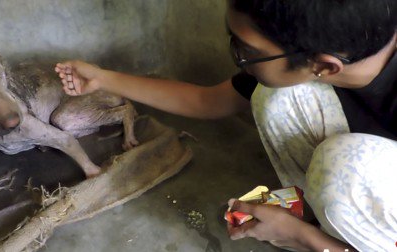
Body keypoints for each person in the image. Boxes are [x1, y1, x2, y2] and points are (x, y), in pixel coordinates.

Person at [55, 0, 397, 251]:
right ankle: (313, 210)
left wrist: (307, 241)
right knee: (274, 95)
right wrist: (104, 79)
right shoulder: (343, 47)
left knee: (343, 164)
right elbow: (208, 101)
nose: (238, 57)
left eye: (246, 51)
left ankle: (320, 231)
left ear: (324, 66)